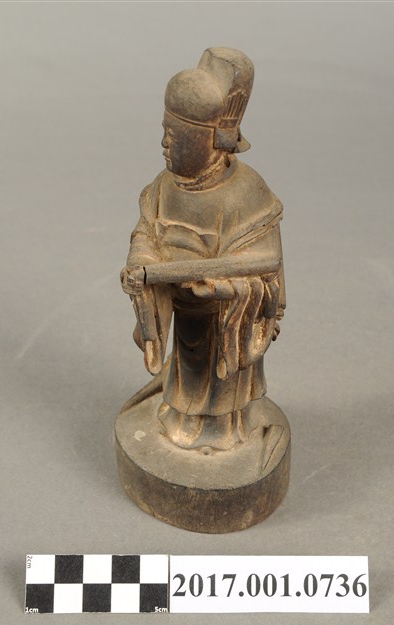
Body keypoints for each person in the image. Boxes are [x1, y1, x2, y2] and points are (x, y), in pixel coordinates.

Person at [122, 47, 286, 451]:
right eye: (164, 130)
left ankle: (225, 428)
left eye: (176, 136)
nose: (164, 143)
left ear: (210, 139)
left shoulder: (246, 193)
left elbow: (266, 274)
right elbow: (146, 233)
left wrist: (221, 288)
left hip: (224, 321)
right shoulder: (163, 187)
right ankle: (181, 415)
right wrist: (141, 266)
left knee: (220, 390)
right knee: (185, 378)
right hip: (184, 316)